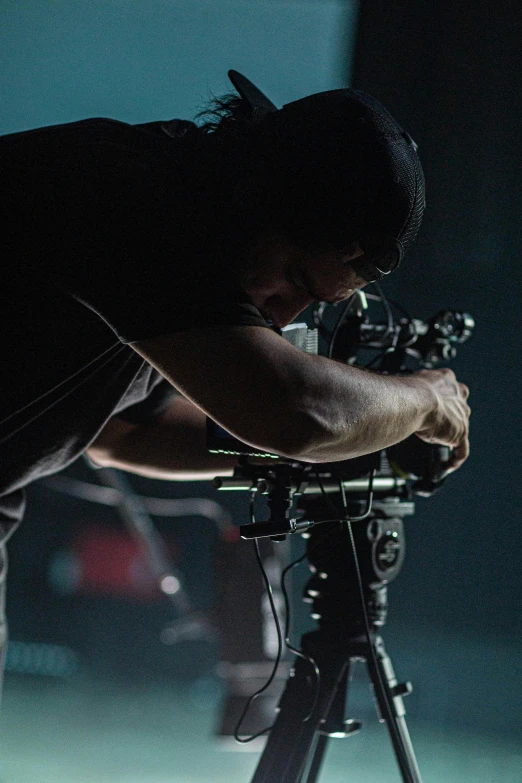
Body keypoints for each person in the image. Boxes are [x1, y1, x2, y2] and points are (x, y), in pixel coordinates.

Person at [0, 71, 470, 692]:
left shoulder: (184, 263)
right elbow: (294, 410)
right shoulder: (140, 205)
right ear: (262, 195)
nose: (281, 318)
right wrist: (424, 400)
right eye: (296, 281)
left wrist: (346, 442)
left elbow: (125, 434)